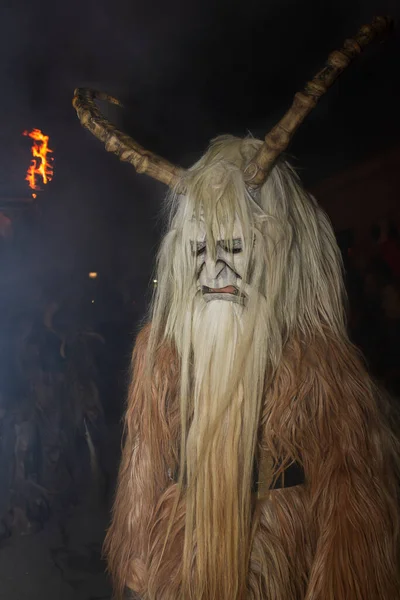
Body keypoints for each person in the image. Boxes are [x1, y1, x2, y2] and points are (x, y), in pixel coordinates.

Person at [74, 16, 399, 600]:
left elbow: (353, 494)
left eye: (234, 249)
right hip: (186, 555)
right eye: (201, 250)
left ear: (268, 249)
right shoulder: (161, 351)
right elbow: (144, 465)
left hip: (283, 556)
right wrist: (141, 559)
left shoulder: (318, 359)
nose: (215, 273)